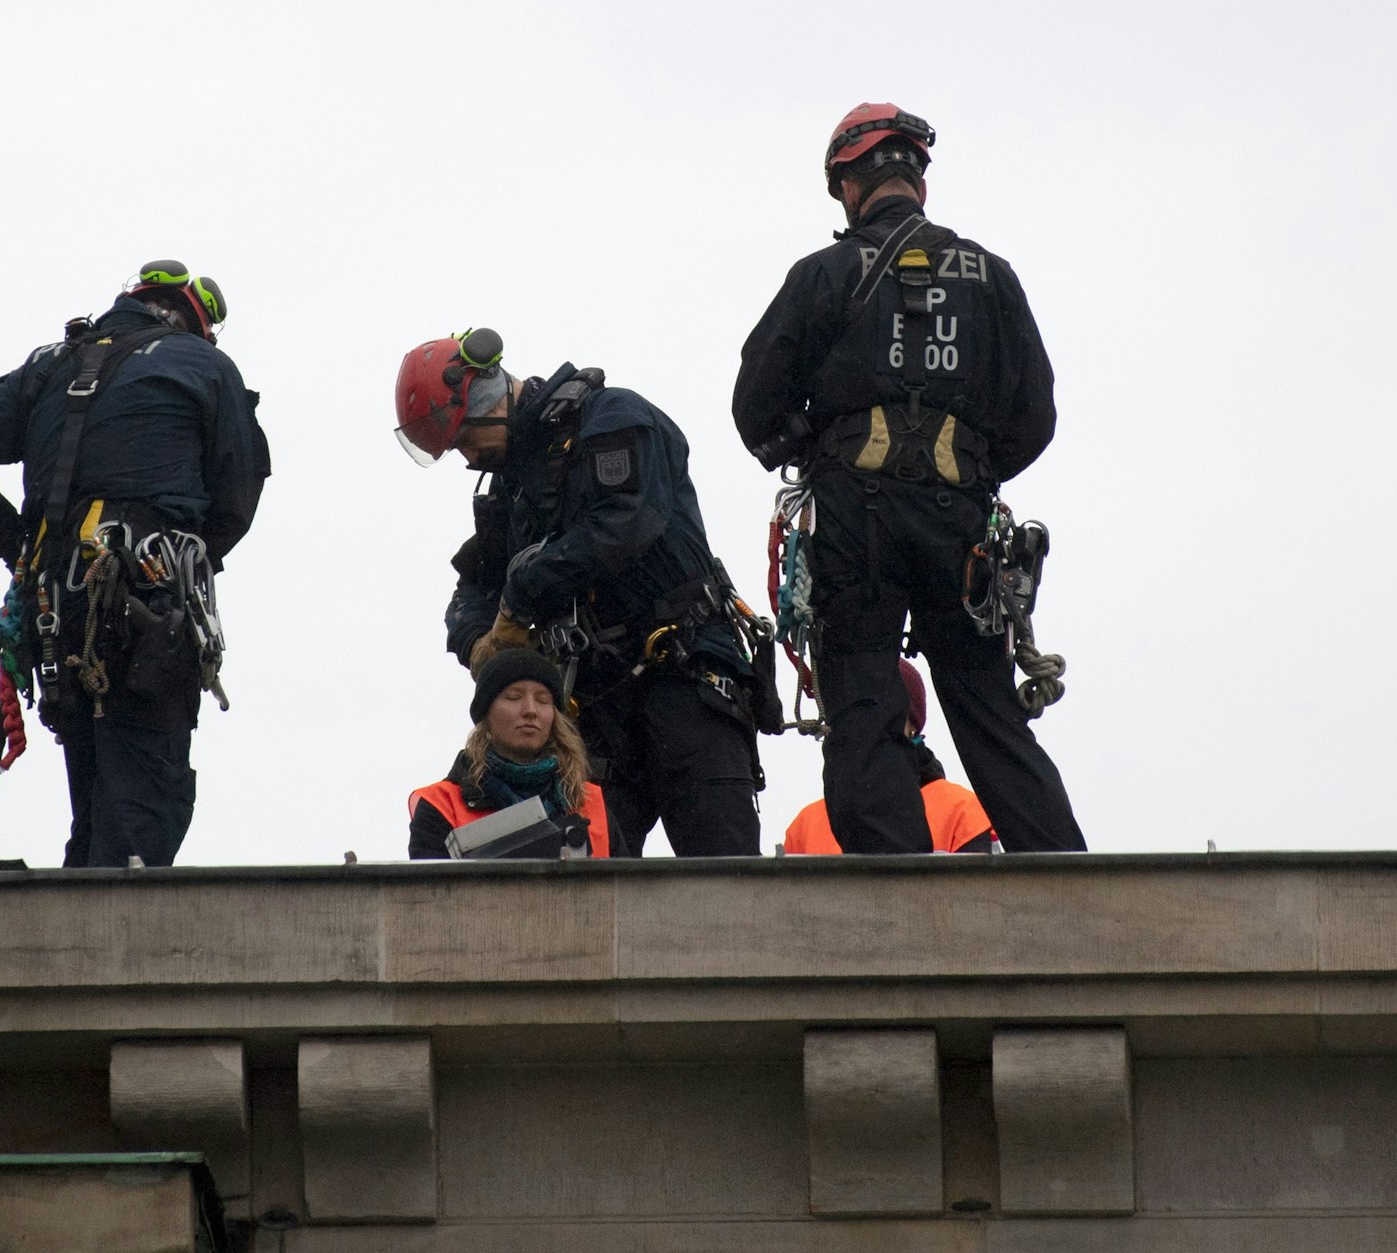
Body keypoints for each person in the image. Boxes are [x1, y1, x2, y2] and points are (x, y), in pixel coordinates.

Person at [733, 103, 1084, 855]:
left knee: (862, 710)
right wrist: (968, 472)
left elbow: (755, 403)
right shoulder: (991, 277)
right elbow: (1036, 414)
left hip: (855, 523)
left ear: (847, 186)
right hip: (960, 525)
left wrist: (821, 453)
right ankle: (1064, 876)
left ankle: (895, 888)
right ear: (918, 180)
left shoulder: (822, 275)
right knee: (988, 710)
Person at [0, 260, 270, 868]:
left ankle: (77, 917)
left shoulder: (50, 364)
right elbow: (235, 501)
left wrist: (20, 549)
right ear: (195, 319)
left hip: (54, 615)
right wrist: (177, 558)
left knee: (93, 804)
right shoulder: (204, 364)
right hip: (146, 609)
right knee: (144, 805)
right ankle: (113, 926)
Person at [393, 328, 766, 858]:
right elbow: (475, 586)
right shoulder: (514, 492)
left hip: (684, 676)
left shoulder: (612, 419)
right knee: (588, 880)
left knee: (724, 872)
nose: (467, 455)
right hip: (598, 706)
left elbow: (628, 521)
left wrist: (520, 597)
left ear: (488, 396)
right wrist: (480, 643)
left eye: (465, 437)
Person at [409, 648, 610, 858]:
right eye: (514, 697)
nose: (530, 710)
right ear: (486, 714)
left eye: (542, 700)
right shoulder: (442, 805)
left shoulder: (593, 803)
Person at [785, 660, 994, 854]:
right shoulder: (805, 827)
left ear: (913, 725)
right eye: (854, 712)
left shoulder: (962, 811)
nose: (869, 721)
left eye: (883, 710)